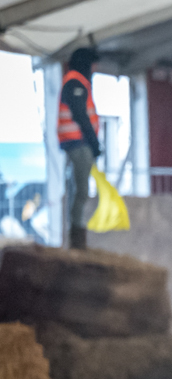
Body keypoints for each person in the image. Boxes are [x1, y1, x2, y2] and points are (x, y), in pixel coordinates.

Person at [56, 47, 101, 249]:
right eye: (93, 64)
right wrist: (94, 142)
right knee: (81, 189)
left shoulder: (77, 82)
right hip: (77, 142)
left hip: (78, 142)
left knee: (79, 188)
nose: (95, 69)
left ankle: (76, 234)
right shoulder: (75, 82)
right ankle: (76, 237)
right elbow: (80, 115)